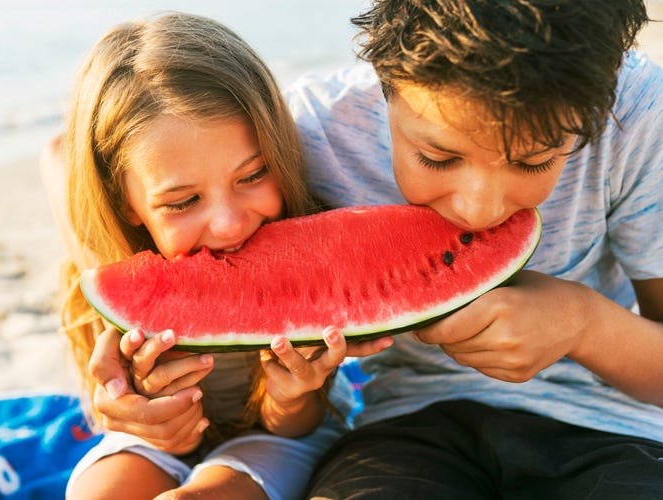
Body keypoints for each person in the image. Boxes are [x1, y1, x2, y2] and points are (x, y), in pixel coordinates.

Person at [89, 1, 663, 497]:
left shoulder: (637, 114)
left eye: (535, 161)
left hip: (612, 427)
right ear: (383, 75)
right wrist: (128, 389)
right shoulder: (310, 135)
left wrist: (586, 325)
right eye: (437, 157)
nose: (481, 210)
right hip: (409, 428)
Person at [39, 11, 393, 499]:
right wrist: (136, 411)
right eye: (183, 202)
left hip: (282, 433)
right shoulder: (107, 251)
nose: (229, 223)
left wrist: (293, 395)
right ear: (125, 202)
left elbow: (295, 425)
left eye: (252, 176)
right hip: (153, 441)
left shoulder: (308, 246)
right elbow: (57, 155)